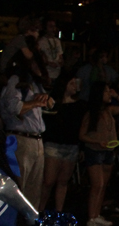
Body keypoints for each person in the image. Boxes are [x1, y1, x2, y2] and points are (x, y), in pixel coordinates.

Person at [0, 48, 52, 207]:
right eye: (38, 62)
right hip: (20, 139)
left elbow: (51, 104)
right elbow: (14, 107)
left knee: (34, 190)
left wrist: (45, 99)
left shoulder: (36, 83)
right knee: (18, 186)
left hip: (36, 140)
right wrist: (35, 102)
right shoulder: (16, 81)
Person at [79, 81, 119, 226]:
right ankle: (91, 217)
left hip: (109, 151)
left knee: (103, 185)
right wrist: (98, 141)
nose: (109, 94)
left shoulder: (109, 110)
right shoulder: (91, 113)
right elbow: (82, 135)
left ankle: (96, 215)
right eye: (106, 91)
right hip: (95, 151)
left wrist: (117, 95)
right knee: (97, 184)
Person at [40, 74, 85, 212]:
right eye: (71, 83)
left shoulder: (79, 105)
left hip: (71, 146)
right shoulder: (53, 104)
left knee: (63, 182)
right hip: (53, 145)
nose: (74, 86)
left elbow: (80, 127)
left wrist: (80, 147)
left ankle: (59, 212)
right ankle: (39, 211)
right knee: (48, 181)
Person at [37, 17, 63, 85]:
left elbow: (60, 55)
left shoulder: (57, 41)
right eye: (50, 26)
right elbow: (39, 58)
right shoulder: (41, 42)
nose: (53, 29)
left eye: (54, 26)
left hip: (57, 74)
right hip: (47, 74)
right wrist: (48, 63)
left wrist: (61, 62)